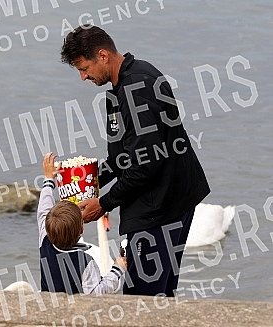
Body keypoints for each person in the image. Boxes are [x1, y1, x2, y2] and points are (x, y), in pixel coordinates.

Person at [60, 25, 210, 297]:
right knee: (160, 297)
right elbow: (121, 158)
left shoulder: (138, 89)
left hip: (162, 208)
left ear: (103, 56)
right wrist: (81, 182)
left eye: (84, 68)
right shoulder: (120, 88)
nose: (83, 77)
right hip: (167, 199)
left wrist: (103, 203)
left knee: (140, 301)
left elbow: (145, 166)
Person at [38, 152, 127, 295]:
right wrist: (118, 269)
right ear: (81, 229)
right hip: (74, 313)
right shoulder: (85, 261)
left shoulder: (45, 242)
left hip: (49, 309)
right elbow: (96, 292)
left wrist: (49, 179)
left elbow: (43, 210)